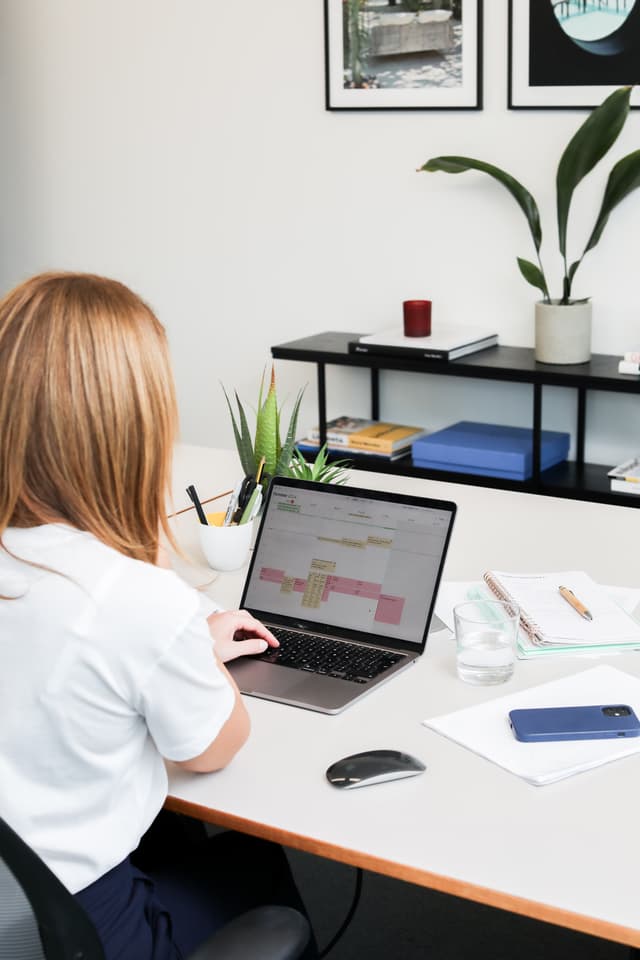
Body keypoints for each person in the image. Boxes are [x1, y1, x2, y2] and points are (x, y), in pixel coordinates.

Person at [0, 272, 316, 960]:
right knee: (259, 870)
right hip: (89, 932)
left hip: (16, 911)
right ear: (132, 426)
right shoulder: (132, 597)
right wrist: (190, 649)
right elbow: (214, 750)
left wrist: (173, 642)